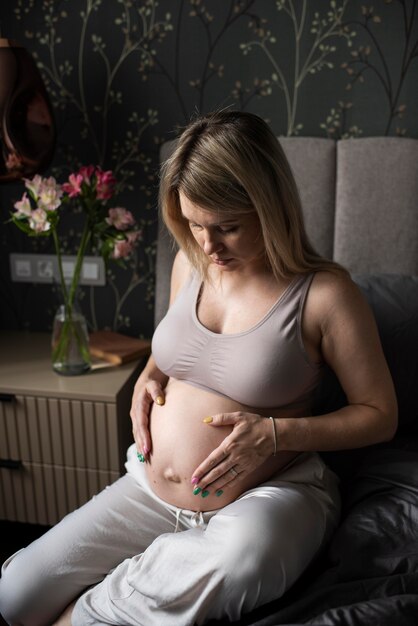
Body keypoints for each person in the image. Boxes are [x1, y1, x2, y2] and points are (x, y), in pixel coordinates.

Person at [0, 110, 398, 626]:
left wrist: (275, 434)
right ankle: (144, 583)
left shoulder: (326, 296)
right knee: (15, 595)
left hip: (271, 494)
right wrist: (151, 372)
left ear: (270, 206)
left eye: (227, 227)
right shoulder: (191, 261)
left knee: (245, 558)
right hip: (151, 488)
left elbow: (380, 414)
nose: (207, 244)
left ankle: (89, 615)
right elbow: (177, 351)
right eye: (193, 224)